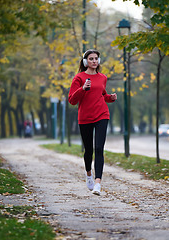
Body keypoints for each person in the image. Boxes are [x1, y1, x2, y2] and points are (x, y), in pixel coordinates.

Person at [68, 49, 117, 195]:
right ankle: (88, 174)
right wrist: (82, 89)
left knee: (99, 148)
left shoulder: (103, 77)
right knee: (88, 150)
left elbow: (102, 95)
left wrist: (110, 98)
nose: (94, 61)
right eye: (91, 59)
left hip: (102, 114)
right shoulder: (79, 78)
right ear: (85, 62)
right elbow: (72, 100)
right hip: (85, 117)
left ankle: (97, 184)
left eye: (96, 58)